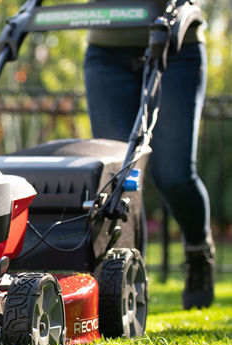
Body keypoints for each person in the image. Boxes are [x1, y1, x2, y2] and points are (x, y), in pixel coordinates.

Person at [83, 0, 214, 309]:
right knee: (117, 177)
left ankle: (198, 253)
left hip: (176, 43)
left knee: (174, 174)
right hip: (106, 51)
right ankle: (124, 279)